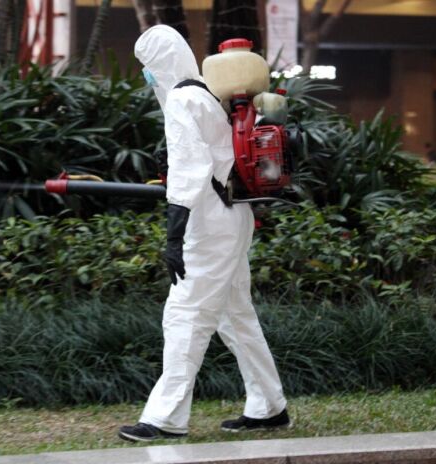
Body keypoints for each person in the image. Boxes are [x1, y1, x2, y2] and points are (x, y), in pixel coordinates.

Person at [118, 25, 289, 442]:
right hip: (233, 216)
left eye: (148, 69)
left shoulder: (181, 99)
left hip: (211, 223)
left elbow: (190, 171)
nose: (148, 77)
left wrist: (173, 237)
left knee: (185, 314)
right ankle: (269, 407)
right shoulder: (206, 93)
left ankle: (165, 418)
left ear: (160, 64)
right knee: (235, 315)